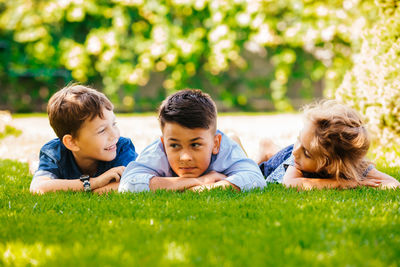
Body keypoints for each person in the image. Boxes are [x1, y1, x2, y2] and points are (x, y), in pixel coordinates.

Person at [119, 89, 266, 192]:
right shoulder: (157, 152)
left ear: (215, 144)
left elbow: (255, 179)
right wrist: (200, 181)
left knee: (245, 155)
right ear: (164, 144)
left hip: (231, 154)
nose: (185, 157)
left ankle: (253, 145)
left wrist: (202, 189)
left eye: (195, 144)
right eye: (175, 145)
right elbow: (128, 184)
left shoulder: (225, 149)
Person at [258, 100, 400, 189]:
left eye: (307, 153)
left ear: (333, 164)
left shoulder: (354, 166)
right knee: (256, 169)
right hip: (278, 163)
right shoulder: (296, 159)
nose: (297, 151)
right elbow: (290, 183)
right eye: (299, 139)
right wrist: (344, 184)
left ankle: (269, 146)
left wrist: (375, 184)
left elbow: (393, 184)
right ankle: (266, 147)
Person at [30, 84, 138, 194]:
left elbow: (132, 182)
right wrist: (95, 182)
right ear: (72, 142)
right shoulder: (54, 152)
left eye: (114, 124)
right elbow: (38, 188)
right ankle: (36, 165)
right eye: (101, 130)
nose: (115, 135)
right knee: (39, 171)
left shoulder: (122, 147)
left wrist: (90, 191)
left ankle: (36, 166)